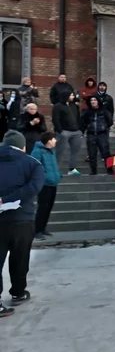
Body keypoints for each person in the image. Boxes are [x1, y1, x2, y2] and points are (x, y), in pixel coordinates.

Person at [0, 130, 45, 317]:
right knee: (20, 257)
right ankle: (18, 292)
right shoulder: (32, 163)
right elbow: (35, 187)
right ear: (23, 146)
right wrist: (8, 199)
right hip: (22, 218)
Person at [30, 132, 62, 240]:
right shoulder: (38, 151)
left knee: (49, 207)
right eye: (54, 139)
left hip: (53, 183)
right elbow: (34, 166)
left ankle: (43, 228)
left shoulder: (51, 152)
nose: (55, 141)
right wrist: (44, 177)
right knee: (42, 207)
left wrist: (58, 175)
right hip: (44, 184)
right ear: (49, 140)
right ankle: (37, 230)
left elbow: (54, 165)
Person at [81, 95, 113, 175]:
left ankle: (110, 169)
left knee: (106, 153)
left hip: (102, 134)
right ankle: (93, 170)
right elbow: (82, 122)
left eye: (95, 100)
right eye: (91, 100)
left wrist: (105, 127)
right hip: (91, 134)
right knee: (92, 154)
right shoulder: (87, 112)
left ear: (98, 101)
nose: (93, 101)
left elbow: (110, 121)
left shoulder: (104, 111)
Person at [52, 91, 82, 175]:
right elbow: (55, 119)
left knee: (75, 151)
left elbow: (78, 117)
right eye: (71, 95)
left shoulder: (74, 106)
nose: (73, 96)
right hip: (64, 131)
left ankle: (72, 169)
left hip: (76, 131)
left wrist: (80, 129)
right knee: (59, 151)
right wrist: (60, 131)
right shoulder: (57, 106)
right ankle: (55, 168)